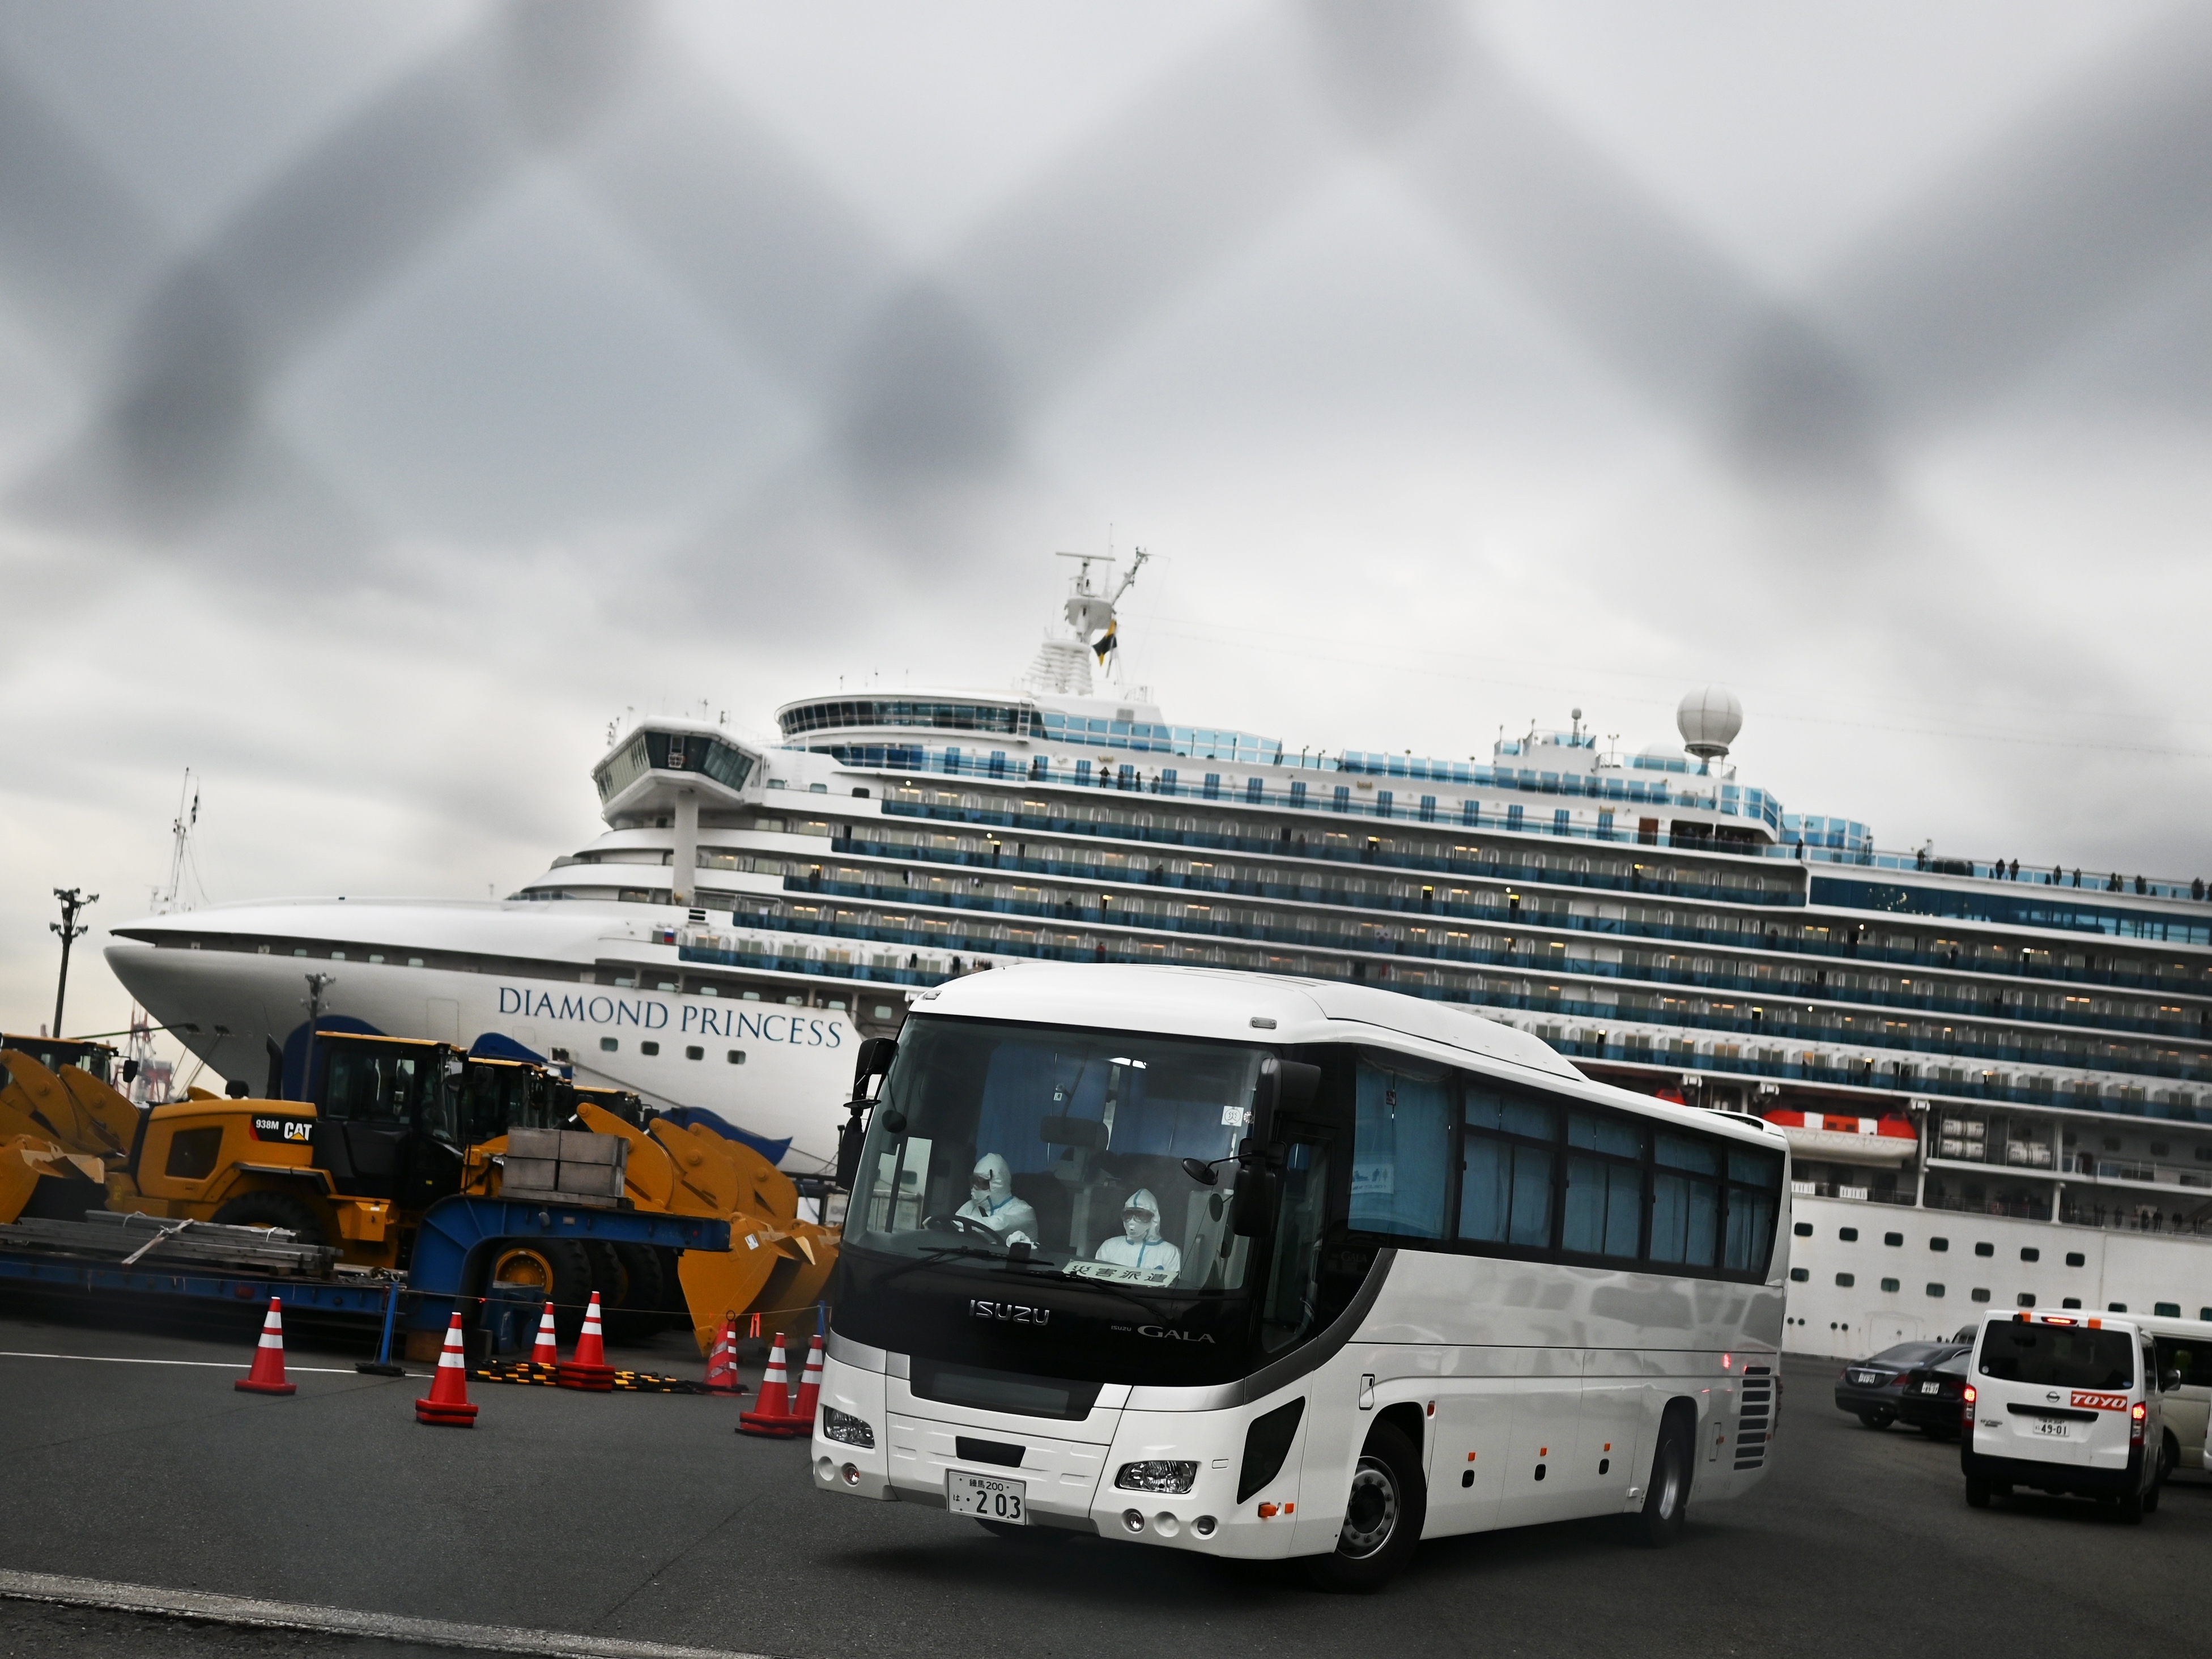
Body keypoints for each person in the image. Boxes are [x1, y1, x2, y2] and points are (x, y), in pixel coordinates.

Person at [1094, 1188, 1181, 1279]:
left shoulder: (1170, 1253)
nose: (1132, 1221)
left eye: (1140, 1215)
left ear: (1154, 1218)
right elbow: (1096, 1280)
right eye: (1128, 1214)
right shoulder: (1109, 1247)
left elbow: (1170, 1288)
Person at [955, 1153, 1039, 1244]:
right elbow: (954, 1222)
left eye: (981, 1183)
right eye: (974, 1181)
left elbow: (997, 1226)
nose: (975, 1187)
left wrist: (961, 1223)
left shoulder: (1024, 1212)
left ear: (997, 1184)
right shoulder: (972, 1206)